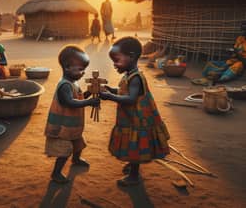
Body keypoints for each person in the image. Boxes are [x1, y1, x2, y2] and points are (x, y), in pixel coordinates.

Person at [99, 37, 170, 186]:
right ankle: (133, 166)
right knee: (133, 144)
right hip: (132, 118)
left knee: (135, 144)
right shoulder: (129, 75)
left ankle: (134, 176)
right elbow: (123, 91)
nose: (114, 64)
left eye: (117, 60)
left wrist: (110, 96)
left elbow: (130, 99)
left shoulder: (136, 78)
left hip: (137, 120)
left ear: (131, 57)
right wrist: (111, 90)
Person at [44, 45, 100, 184]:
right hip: (63, 125)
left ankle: (76, 159)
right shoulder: (65, 85)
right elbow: (69, 102)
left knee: (78, 143)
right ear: (67, 67)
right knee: (64, 151)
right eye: (80, 69)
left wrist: (89, 92)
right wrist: (89, 102)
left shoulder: (73, 83)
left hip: (72, 125)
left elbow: (78, 98)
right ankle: (56, 173)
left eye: (84, 69)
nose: (83, 72)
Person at [192, 21, 246, 85]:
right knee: (211, 63)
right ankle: (215, 74)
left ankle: (221, 79)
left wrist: (237, 53)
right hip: (233, 60)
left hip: (241, 63)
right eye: (242, 30)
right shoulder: (240, 38)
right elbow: (235, 49)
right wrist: (232, 52)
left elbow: (243, 59)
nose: (242, 32)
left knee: (236, 66)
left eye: (244, 30)